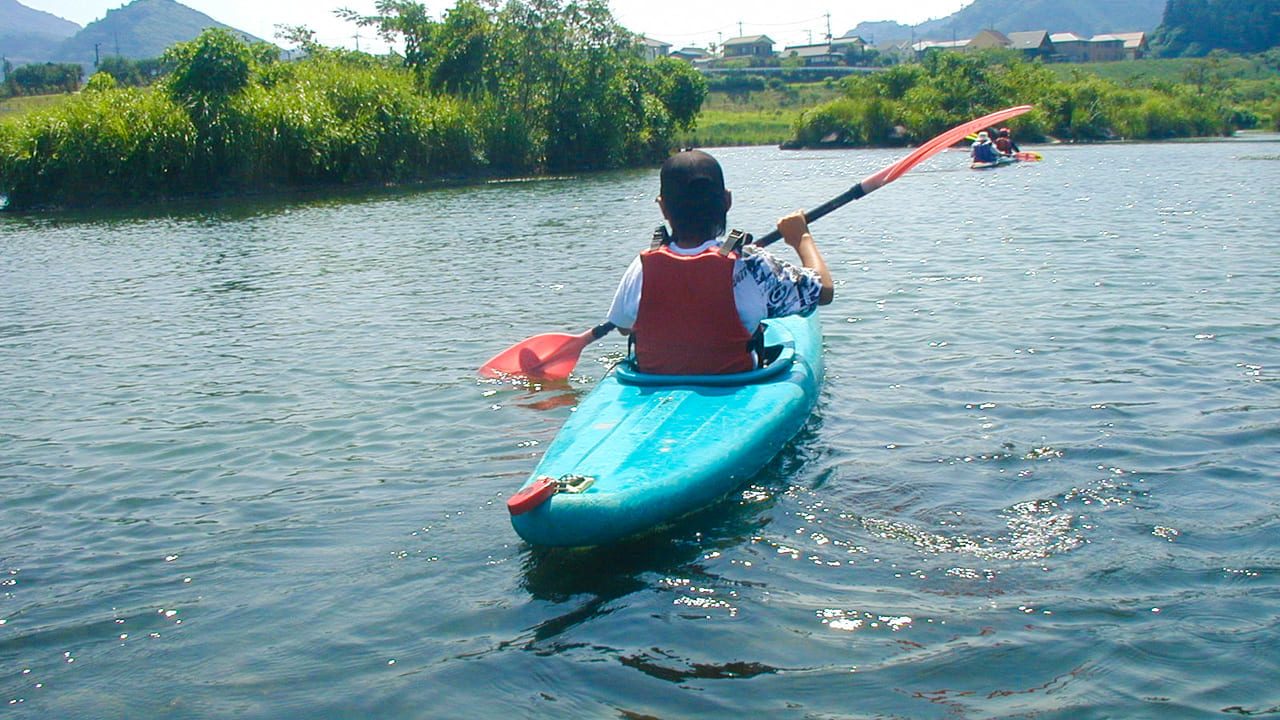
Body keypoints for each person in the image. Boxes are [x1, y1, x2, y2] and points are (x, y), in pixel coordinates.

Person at [606, 150, 834, 376]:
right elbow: (823, 291)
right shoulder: (751, 263)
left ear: (663, 207)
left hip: (654, 380)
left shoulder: (643, 265)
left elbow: (624, 327)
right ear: (727, 201)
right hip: (731, 381)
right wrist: (801, 238)